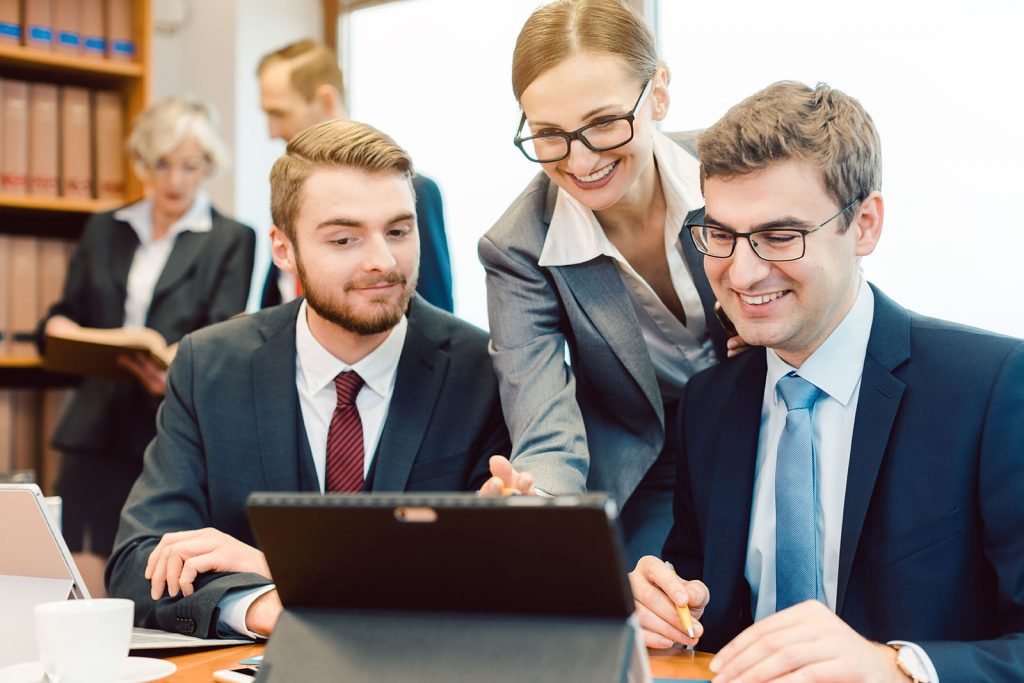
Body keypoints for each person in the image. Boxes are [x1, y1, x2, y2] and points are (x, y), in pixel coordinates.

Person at [629, 81, 1024, 682]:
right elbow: (697, 603)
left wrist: (897, 668)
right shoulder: (708, 404)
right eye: (722, 235)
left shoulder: (991, 389)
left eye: (780, 237)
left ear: (865, 225)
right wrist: (663, 611)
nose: (742, 273)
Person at [105, 119, 510, 640]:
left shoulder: (485, 370)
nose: (383, 261)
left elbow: (494, 581)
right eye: (344, 238)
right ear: (283, 249)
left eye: (398, 231)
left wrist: (281, 574)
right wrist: (258, 604)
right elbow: (138, 563)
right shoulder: (209, 367)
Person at [478, 0, 734, 564]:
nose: (579, 161)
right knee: (646, 598)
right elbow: (543, 422)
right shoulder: (518, 247)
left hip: (773, 417)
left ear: (658, 93)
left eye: (602, 123)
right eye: (549, 134)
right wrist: (535, 501)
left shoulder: (735, 173)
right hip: (653, 461)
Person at [38, 96, 255, 563]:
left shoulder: (232, 238)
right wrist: (57, 326)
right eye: (161, 164)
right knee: (73, 565)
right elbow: (67, 310)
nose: (174, 180)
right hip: (93, 427)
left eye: (189, 166)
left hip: (168, 425)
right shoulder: (105, 228)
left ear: (208, 166)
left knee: (153, 566)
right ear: (141, 162)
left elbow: (221, 334)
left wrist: (175, 372)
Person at [256, 39, 454, 312]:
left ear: (325, 101)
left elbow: (434, 315)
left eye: (279, 113)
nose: (272, 131)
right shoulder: (296, 188)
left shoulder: (414, 191)